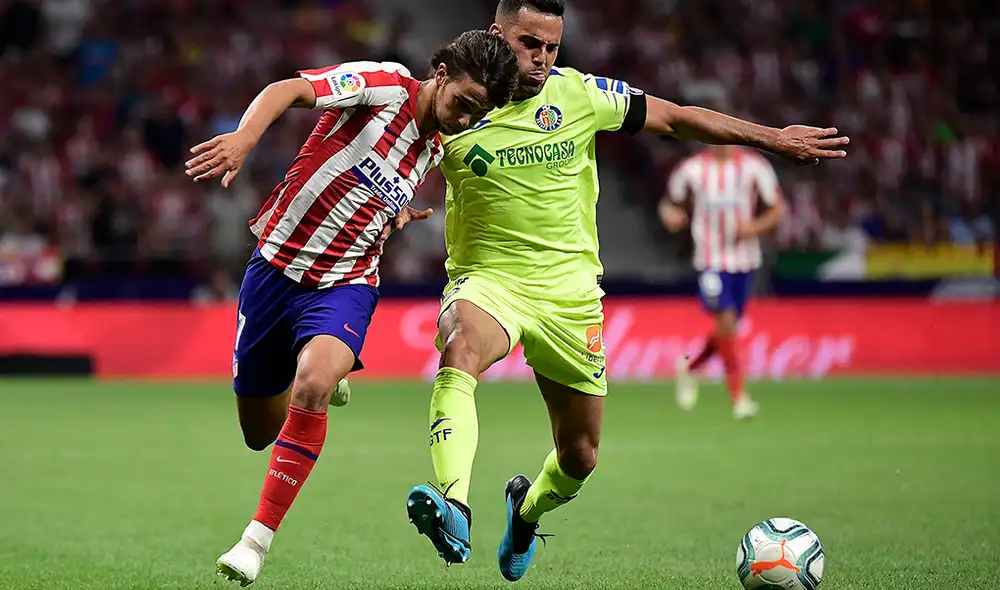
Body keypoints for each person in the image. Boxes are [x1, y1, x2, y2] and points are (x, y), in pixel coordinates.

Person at [404, 0, 848, 582]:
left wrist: (770, 139)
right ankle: (456, 507)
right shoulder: (458, 109)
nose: (541, 59)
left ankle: (526, 513)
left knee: (580, 456)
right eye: (528, 43)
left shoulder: (581, 94)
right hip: (490, 281)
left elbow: (677, 118)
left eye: (551, 47)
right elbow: (382, 161)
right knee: (460, 346)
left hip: (571, 296)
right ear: (498, 34)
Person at [182, 30, 520, 586]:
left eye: (477, 113)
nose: (464, 119)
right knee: (259, 431)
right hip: (273, 271)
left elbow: (374, 193)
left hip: (346, 284)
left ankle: (254, 541)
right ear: (440, 75)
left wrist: (395, 215)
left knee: (311, 385)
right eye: (462, 102)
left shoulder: (436, 148)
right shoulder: (382, 86)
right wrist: (245, 138)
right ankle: (321, 374)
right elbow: (287, 88)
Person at [660, 145, 787, 419]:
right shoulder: (691, 169)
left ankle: (691, 368)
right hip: (710, 260)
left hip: (744, 261)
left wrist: (754, 227)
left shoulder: (755, 167)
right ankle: (739, 397)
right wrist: (671, 216)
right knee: (727, 321)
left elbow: (777, 209)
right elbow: (669, 203)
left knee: (726, 329)